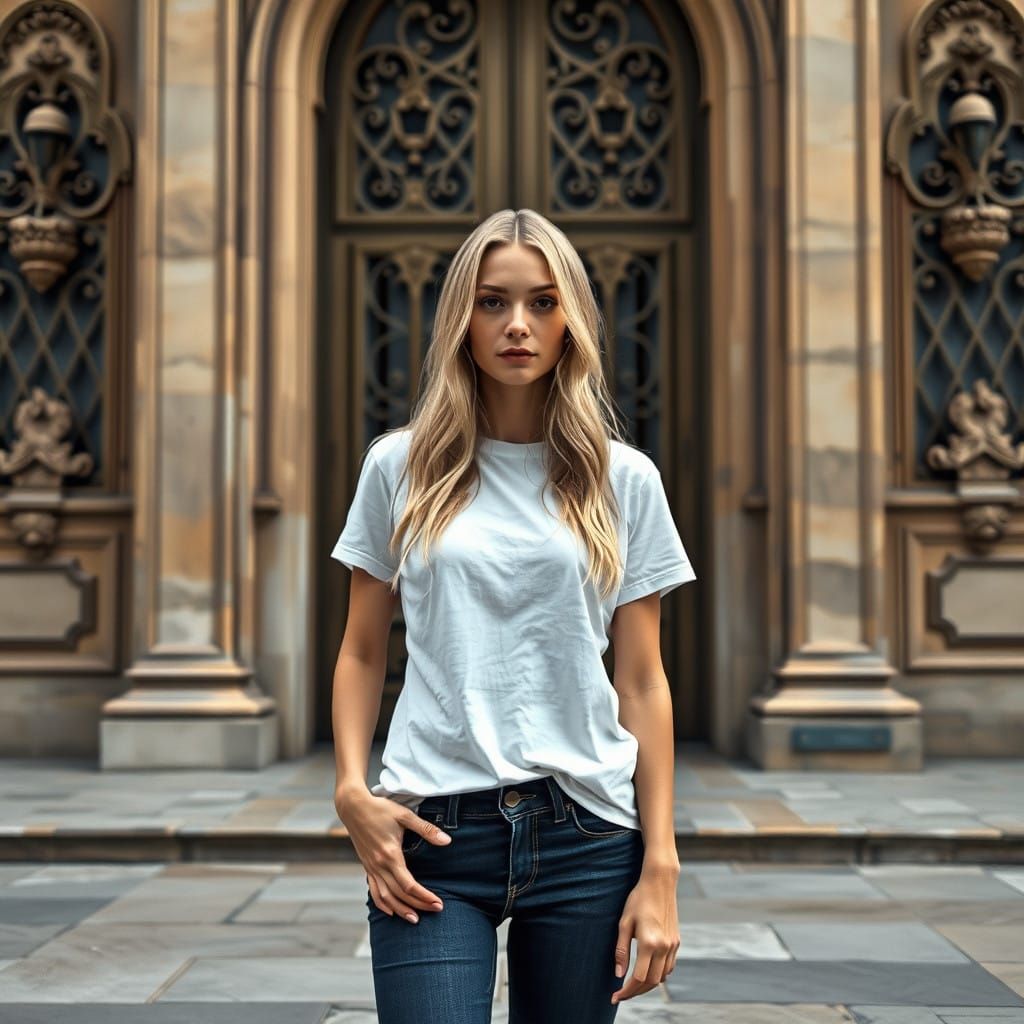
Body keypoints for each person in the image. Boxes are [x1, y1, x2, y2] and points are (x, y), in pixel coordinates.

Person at [330, 208, 696, 1023]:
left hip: (587, 835)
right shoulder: (399, 467)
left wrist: (661, 864)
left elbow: (641, 681)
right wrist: (352, 789)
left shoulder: (624, 480)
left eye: (542, 302)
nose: (518, 325)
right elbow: (361, 651)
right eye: (492, 302)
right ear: (461, 318)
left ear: (572, 321)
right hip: (432, 830)